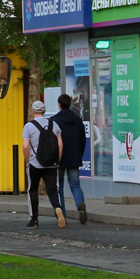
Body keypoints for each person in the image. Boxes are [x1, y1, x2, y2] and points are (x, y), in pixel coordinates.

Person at [22, 100, 65, 228]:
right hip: (51, 163)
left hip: (35, 163)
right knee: (53, 190)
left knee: (33, 190)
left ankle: (34, 219)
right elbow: (60, 144)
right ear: (44, 111)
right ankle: (57, 208)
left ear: (32, 111)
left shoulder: (28, 126)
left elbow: (25, 146)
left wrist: (27, 160)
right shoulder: (54, 124)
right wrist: (58, 160)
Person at [50, 93, 88, 223]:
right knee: (75, 184)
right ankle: (80, 203)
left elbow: (52, 141)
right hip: (74, 157)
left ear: (59, 104)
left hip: (59, 158)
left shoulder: (54, 121)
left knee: (59, 187)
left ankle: (63, 216)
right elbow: (83, 140)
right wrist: (79, 154)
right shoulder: (78, 120)